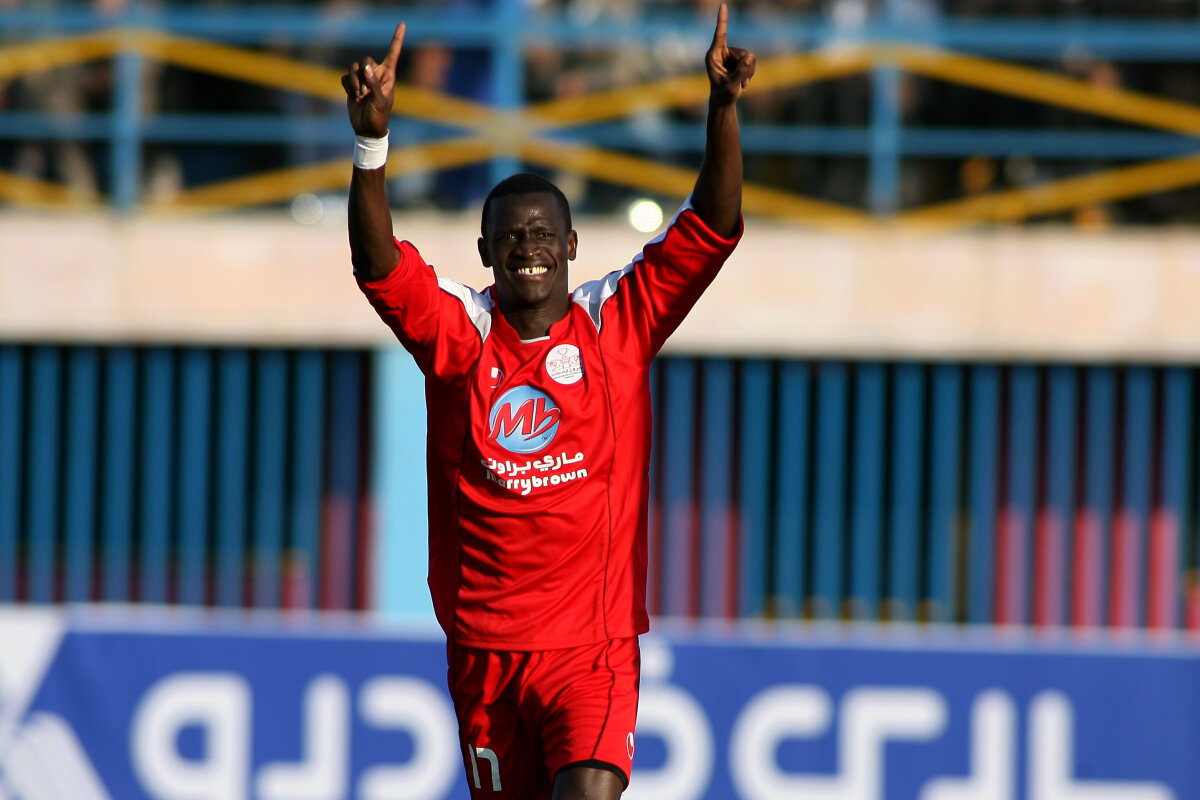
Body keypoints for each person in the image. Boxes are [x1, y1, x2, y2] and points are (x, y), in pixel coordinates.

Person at [341, 7, 754, 799]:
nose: (527, 248)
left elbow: (712, 224)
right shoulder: (460, 338)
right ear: (486, 252)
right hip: (485, 654)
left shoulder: (617, 323)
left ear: (570, 246)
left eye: (541, 235)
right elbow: (378, 264)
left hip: (591, 649)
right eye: (510, 237)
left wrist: (722, 109)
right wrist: (371, 146)